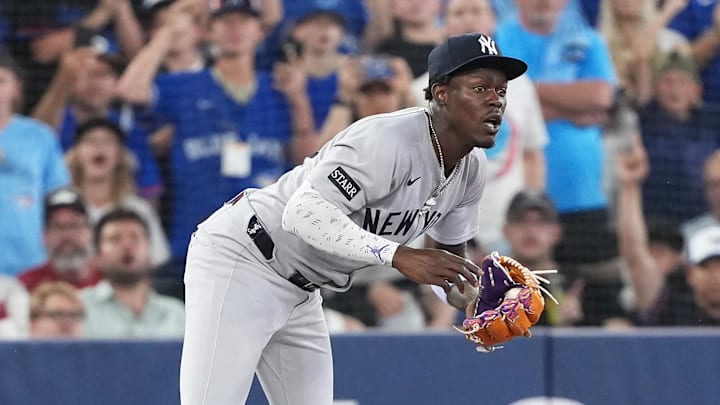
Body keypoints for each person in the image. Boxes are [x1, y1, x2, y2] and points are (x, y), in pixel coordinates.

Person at [179, 32, 527, 404]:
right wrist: (398, 255)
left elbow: (447, 267)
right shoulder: (387, 139)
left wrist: (474, 299)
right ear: (440, 93)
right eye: (479, 88)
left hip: (302, 290)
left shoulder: (472, 168)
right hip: (244, 258)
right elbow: (304, 212)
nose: (495, 101)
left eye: (501, 91)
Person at [115, 0, 318, 282]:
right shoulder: (185, 84)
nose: (235, 29)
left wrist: (299, 101)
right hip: (196, 244)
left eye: (244, 21)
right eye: (225, 22)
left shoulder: (280, 88)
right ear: (208, 32)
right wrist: (167, 32)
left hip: (269, 250)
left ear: (261, 30)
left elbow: (307, 162)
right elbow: (130, 90)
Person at [412, 0, 549, 252]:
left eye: (476, 11)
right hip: (443, 230)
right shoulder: (420, 91)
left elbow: (532, 154)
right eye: (459, 13)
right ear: (445, 23)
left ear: (492, 21)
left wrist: (530, 215)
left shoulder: (520, 86)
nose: (468, 19)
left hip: (506, 227)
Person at [618, 141, 720, 325]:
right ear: (690, 273)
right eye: (705, 267)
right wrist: (630, 186)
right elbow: (635, 257)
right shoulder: (669, 307)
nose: (716, 276)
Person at [0, 51, 71, 276]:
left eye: (0, 81)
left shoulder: (39, 136)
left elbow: (58, 197)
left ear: (16, 89)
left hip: (30, 263)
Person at [65, 118, 170, 266]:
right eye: (90, 141)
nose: (98, 147)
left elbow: (157, 257)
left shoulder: (138, 209)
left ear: (120, 156)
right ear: (75, 155)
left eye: (107, 141)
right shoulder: (62, 208)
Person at [638, 51, 720, 223]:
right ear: (654, 87)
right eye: (668, 82)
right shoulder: (643, 120)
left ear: (697, 89)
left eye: (682, 82)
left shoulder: (713, 121)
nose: (675, 90)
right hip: (655, 222)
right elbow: (642, 56)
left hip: (705, 219)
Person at [81, 209, 184, 338]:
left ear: (150, 252)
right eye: (115, 239)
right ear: (97, 256)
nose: (126, 245)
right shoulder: (78, 308)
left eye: (135, 237)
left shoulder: (177, 314)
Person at [18, 187, 102, 293]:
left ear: (91, 233)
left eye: (74, 225)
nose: (67, 234)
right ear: (44, 236)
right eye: (57, 227)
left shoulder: (111, 280)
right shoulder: (26, 286)